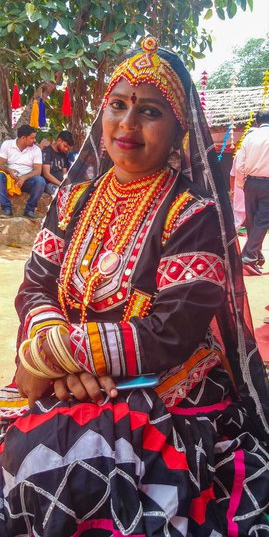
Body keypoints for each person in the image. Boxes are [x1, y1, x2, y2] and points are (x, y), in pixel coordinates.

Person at [0, 37, 268, 537]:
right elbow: (36, 285)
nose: (127, 124)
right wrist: (52, 350)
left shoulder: (193, 214)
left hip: (165, 388)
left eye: (148, 112)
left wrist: (56, 356)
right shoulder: (73, 199)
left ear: (178, 132)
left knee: (65, 464)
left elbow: (173, 330)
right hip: (66, 376)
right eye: (117, 106)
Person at [236, 109, 269, 275]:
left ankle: (256, 256)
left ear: (257, 122)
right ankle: (249, 256)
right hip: (267, 183)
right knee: (262, 221)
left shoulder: (249, 137)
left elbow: (239, 164)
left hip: (250, 182)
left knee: (252, 221)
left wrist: (242, 184)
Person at [0, 124, 45, 219]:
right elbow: (1, 164)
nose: (35, 140)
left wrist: (24, 177)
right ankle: (6, 208)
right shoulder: (7, 145)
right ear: (23, 138)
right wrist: (8, 170)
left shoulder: (36, 149)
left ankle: (29, 210)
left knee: (40, 181)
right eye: (32, 138)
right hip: (10, 179)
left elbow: (38, 171)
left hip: (26, 181)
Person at [42, 130, 74, 195]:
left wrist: (69, 185)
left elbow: (65, 173)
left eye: (68, 148)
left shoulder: (63, 154)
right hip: (50, 184)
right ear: (59, 140)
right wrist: (61, 184)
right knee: (62, 195)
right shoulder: (47, 152)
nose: (66, 149)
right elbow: (46, 174)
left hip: (61, 184)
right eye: (65, 146)